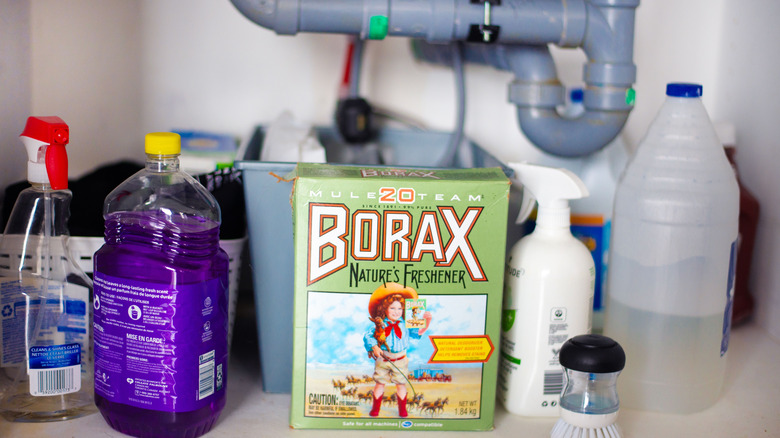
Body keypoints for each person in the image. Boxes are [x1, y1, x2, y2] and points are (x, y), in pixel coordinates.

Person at [363, 283, 432, 417]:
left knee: (401, 384)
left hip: (400, 359)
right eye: (392, 308)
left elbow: (416, 333)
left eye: (400, 308)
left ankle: (402, 410)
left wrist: (426, 322)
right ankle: (375, 409)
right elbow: (367, 336)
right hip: (383, 358)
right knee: (380, 383)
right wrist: (374, 346)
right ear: (385, 309)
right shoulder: (380, 324)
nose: (396, 311)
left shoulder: (406, 324)